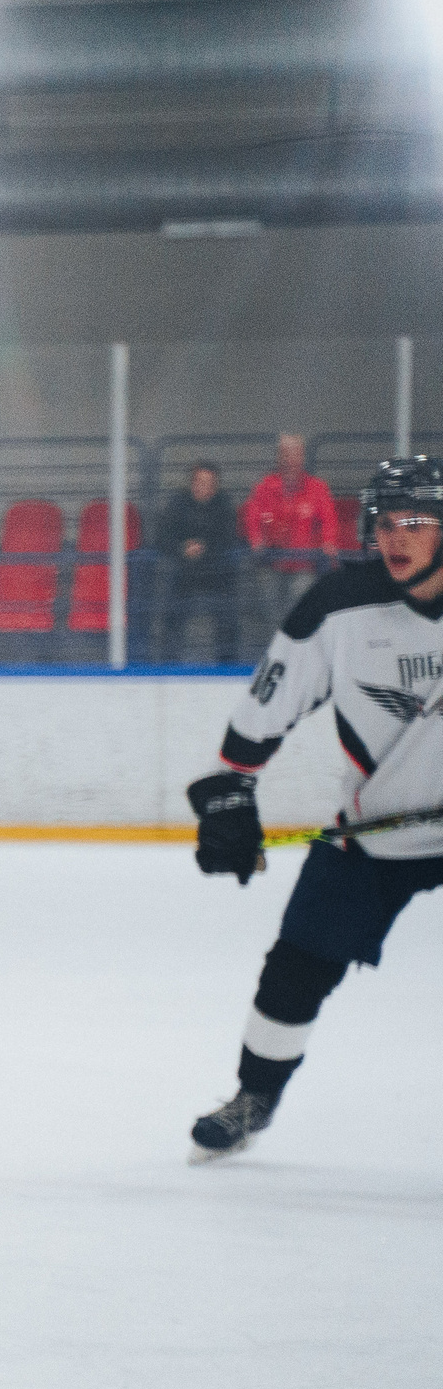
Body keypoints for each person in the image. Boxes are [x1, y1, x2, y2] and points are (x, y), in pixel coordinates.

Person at [183, 456, 443, 1161]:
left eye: (416, 521)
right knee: (294, 968)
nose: (398, 536)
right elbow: (268, 705)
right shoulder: (338, 607)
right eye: (386, 523)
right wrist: (230, 792)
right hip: (374, 831)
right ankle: (253, 1099)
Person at [242, 433, 343, 631]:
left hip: (303, 562)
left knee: (299, 599)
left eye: (294, 454)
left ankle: (296, 643)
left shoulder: (317, 488)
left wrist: (328, 541)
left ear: (302, 457)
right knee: (270, 604)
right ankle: (278, 645)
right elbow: (252, 517)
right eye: (285, 454)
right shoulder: (264, 487)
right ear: (279, 457)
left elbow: (329, 520)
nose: (290, 460)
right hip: (271, 561)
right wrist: (256, 539)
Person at [157, 462, 247, 664]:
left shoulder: (224, 504)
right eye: (198, 481)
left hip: (216, 574)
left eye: (207, 483)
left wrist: (204, 549)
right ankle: (169, 665)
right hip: (184, 573)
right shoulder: (178, 503)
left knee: (227, 616)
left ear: (215, 486)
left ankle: (227, 666)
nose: (202, 487)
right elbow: (162, 537)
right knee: (172, 615)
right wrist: (182, 548)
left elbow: (228, 537)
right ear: (191, 483)